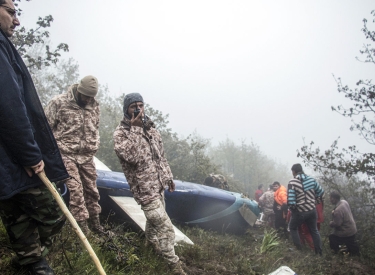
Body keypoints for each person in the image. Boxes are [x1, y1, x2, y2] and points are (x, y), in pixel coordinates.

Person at [0, 1, 69, 273]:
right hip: (14, 158)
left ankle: (29, 261)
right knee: (54, 211)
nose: (17, 21)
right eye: (11, 12)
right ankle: (29, 260)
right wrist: (30, 154)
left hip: (7, 159)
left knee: (16, 213)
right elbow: (9, 105)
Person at [113, 93, 186, 275]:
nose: (138, 109)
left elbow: (160, 156)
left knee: (153, 225)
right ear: (126, 110)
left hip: (158, 185)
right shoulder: (121, 134)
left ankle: (150, 248)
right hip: (144, 190)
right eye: (133, 106)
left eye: (140, 105)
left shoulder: (152, 130)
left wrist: (168, 177)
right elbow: (132, 157)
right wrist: (136, 129)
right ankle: (174, 267)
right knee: (166, 229)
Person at [45, 76, 107, 236]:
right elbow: (45, 128)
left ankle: (96, 226)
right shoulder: (59, 103)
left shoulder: (94, 106)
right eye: (85, 95)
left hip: (86, 156)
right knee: (76, 191)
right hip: (65, 153)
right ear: (79, 90)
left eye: (91, 97)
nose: (87, 99)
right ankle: (83, 231)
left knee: (92, 192)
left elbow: (96, 127)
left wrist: (94, 143)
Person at [287, 163, 324, 255]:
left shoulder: (292, 182)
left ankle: (299, 250)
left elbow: (291, 201)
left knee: (293, 227)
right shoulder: (312, 180)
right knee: (314, 230)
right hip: (312, 210)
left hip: (300, 212)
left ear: (294, 171)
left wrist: (294, 210)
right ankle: (319, 252)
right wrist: (314, 202)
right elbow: (321, 192)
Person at [328, 191, 359, 255]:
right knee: (351, 244)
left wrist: (331, 223)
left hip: (346, 231)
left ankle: (337, 253)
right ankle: (355, 254)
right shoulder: (344, 202)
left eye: (331, 198)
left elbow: (337, 224)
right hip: (352, 228)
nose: (330, 200)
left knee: (332, 238)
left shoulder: (338, 210)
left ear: (335, 199)